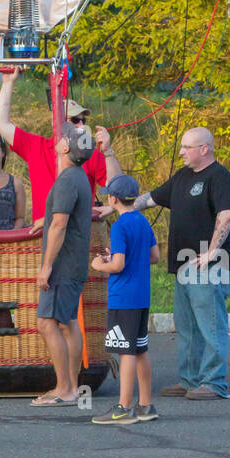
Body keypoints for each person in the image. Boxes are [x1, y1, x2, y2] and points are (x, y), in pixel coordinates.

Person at [132, 127, 230, 400]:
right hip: (183, 266)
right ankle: (190, 380)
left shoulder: (219, 177)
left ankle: (214, 383)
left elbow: (226, 215)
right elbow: (150, 199)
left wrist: (213, 251)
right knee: (187, 326)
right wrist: (116, 206)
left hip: (208, 267)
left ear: (205, 149)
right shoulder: (181, 177)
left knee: (210, 325)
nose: (180, 152)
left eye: (186, 147)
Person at [0, 68, 116, 224]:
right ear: (57, 122)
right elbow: (0, 123)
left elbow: (116, 186)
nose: (81, 125)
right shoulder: (36, 146)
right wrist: (8, 83)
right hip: (44, 232)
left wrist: (108, 152)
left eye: (83, 121)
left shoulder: (88, 154)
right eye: (75, 120)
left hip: (78, 232)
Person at [91, 175, 160, 424]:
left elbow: (118, 265)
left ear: (113, 199)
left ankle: (123, 407)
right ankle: (145, 405)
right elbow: (154, 256)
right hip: (141, 296)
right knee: (140, 349)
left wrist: (100, 264)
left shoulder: (120, 225)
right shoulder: (142, 221)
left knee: (126, 352)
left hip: (123, 298)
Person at [32, 122, 93, 405]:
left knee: (46, 322)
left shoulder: (67, 179)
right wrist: (47, 218)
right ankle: (71, 386)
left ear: (66, 147)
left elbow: (60, 224)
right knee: (68, 323)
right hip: (75, 262)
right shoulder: (79, 176)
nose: (57, 139)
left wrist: (46, 266)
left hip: (64, 265)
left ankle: (64, 389)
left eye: (62, 137)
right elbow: (62, 215)